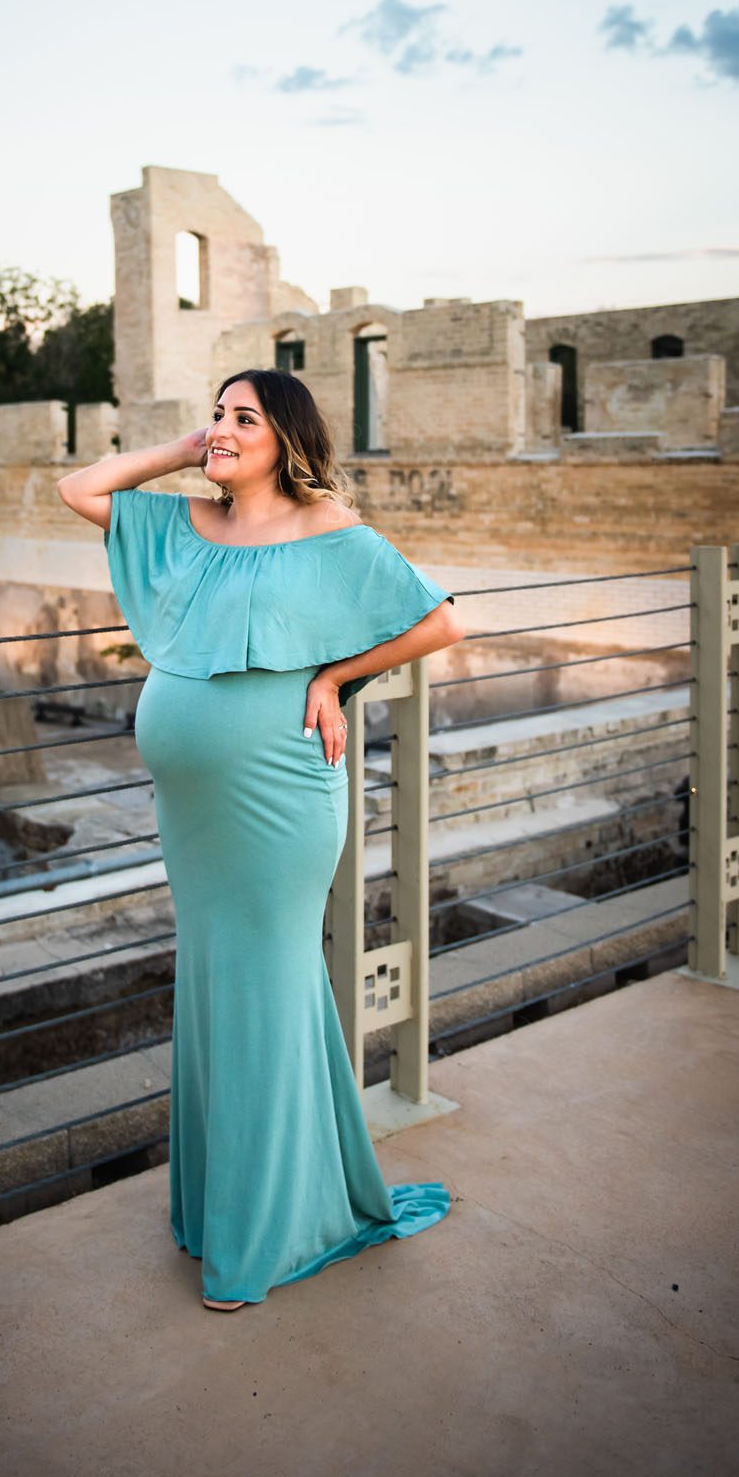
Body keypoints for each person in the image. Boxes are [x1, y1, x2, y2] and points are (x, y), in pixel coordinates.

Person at [57, 368, 462, 1310]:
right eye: (217, 416)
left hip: (280, 803)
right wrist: (185, 449)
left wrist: (332, 682)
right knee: (219, 992)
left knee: (269, 992)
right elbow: (80, 490)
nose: (223, 430)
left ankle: (262, 1239)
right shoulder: (183, 527)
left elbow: (440, 619)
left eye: (245, 419)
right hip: (195, 821)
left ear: (286, 436)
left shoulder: (329, 531)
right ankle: (231, 1206)